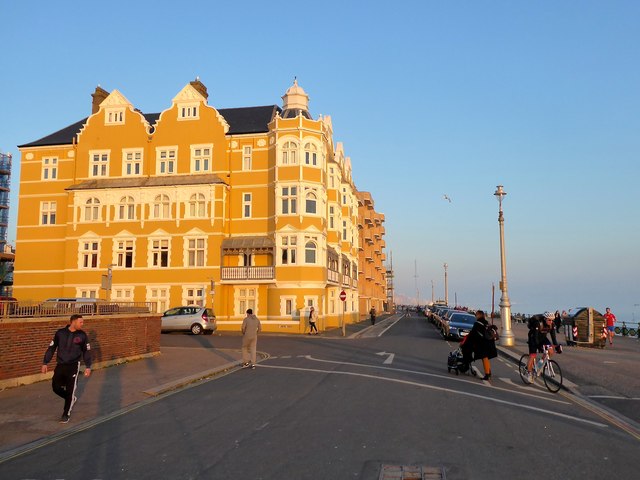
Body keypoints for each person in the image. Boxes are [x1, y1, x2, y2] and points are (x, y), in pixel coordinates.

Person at [41, 314, 92, 423]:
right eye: (80, 322)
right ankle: (71, 398)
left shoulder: (82, 335)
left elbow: (86, 352)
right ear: (73, 322)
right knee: (56, 387)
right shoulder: (60, 333)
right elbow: (51, 348)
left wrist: (88, 366)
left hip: (73, 366)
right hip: (60, 365)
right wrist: (45, 362)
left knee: (70, 390)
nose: (82, 324)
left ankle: (66, 413)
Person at [462, 310, 497, 381]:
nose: (475, 316)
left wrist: (465, 342)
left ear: (479, 315)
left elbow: (473, 334)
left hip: (483, 343)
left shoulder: (477, 323)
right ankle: (488, 372)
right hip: (490, 342)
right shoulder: (486, 323)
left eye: (476, 315)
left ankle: (487, 374)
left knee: (484, 357)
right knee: (485, 358)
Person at [526, 311, 558, 383]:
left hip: (543, 338)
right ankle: (529, 373)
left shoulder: (552, 325)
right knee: (532, 356)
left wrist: (556, 346)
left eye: (552, 320)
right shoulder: (538, 323)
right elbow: (536, 337)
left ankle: (540, 364)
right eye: (549, 320)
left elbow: (553, 337)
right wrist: (539, 346)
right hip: (533, 338)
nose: (551, 321)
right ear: (545, 319)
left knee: (551, 351)